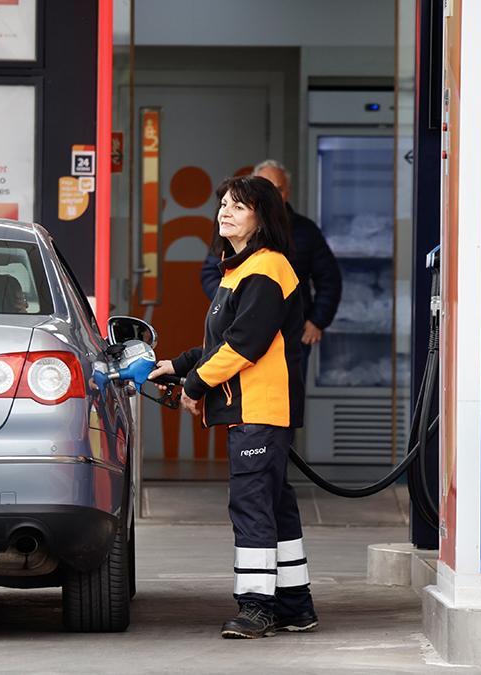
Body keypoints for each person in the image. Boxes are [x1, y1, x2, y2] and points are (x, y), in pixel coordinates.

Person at [151, 175, 317, 639]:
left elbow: (245, 344)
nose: (225, 212)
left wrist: (195, 385)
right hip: (256, 411)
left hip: (260, 410)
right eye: (223, 204)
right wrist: (176, 364)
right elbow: (221, 339)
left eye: (238, 206)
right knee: (275, 505)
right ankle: (295, 606)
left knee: (251, 506)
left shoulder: (266, 268)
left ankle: (257, 607)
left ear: (261, 217)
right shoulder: (240, 270)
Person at [200, 160, 342, 379]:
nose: (226, 213)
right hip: (239, 329)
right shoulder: (232, 232)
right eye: (224, 205)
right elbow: (210, 274)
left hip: (289, 332)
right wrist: (230, 305)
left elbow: (329, 278)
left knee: (285, 389)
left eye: (278, 188)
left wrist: (317, 320)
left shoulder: (286, 247)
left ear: (288, 192)